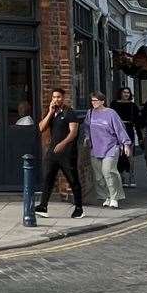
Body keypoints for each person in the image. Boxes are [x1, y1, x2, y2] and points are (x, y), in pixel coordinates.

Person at [34, 88, 84, 219]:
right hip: (53, 153)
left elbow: (73, 132)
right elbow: (41, 127)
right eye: (54, 97)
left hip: (67, 153)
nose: (56, 99)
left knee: (72, 180)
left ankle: (79, 208)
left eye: (59, 97)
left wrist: (62, 144)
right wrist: (50, 112)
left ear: (64, 98)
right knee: (48, 178)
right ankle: (43, 206)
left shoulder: (70, 113)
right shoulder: (52, 112)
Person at [85, 91, 133, 209]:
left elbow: (119, 129)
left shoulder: (111, 113)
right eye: (92, 100)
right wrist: (87, 138)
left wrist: (126, 144)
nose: (93, 103)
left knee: (108, 172)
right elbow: (87, 128)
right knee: (99, 176)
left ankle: (114, 197)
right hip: (95, 148)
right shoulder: (90, 113)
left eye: (96, 100)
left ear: (102, 101)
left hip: (111, 147)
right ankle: (106, 196)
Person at [111, 87, 141, 188]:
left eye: (128, 93)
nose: (126, 94)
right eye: (124, 92)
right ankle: (121, 175)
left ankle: (131, 175)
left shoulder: (133, 106)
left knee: (129, 154)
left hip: (128, 129)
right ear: (120, 93)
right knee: (119, 154)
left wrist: (140, 136)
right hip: (117, 130)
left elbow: (138, 122)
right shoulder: (114, 104)